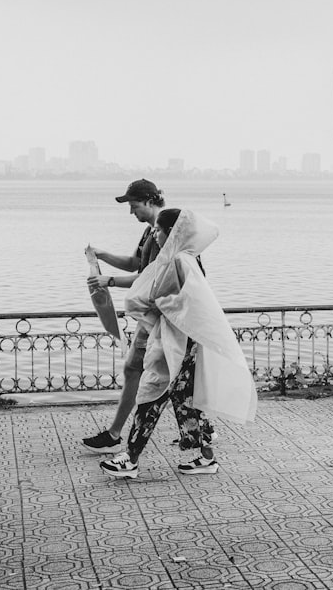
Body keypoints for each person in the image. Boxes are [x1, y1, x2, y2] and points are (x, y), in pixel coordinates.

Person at [100, 208, 256, 478]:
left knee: (151, 395)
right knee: (186, 401)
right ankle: (204, 458)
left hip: (177, 344)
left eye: (158, 230)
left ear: (172, 232)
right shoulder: (176, 259)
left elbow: (188, 302)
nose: (155, 234)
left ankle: (130, 458)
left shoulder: (180, 261)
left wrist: (153, 303)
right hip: (177, 342)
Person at [82, 178, 172, 453]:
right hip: (151, 316)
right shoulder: (150, 232)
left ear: (148, 201)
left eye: (134, 206)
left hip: (161, 316)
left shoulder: (166, 232)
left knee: (141, 371)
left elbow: (150, 278)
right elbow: (136, 263)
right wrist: (103, 254)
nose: (131, 212)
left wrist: (109, 282)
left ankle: (115, 434)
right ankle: (203, 432)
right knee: (169, 374)